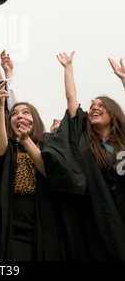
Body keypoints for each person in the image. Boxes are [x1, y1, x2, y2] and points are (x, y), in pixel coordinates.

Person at [0, 79, 66, 261]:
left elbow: (49, 172)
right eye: (14, 114)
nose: (20, 116)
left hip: (43, 213)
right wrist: (0, 105)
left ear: (35, 119)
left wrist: (27, 140)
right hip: (11, 215)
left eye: (26, 112)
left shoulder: (48, 142)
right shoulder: (9, 146)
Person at [42, 51, 125, 260]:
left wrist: (124, 80)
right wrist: (68, 67)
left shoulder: (122, 142)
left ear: (113, 112)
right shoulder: (86, 140)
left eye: (101, 105)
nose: (94, 108)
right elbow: (71, 99)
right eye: (92, 106)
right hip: (96, 213)